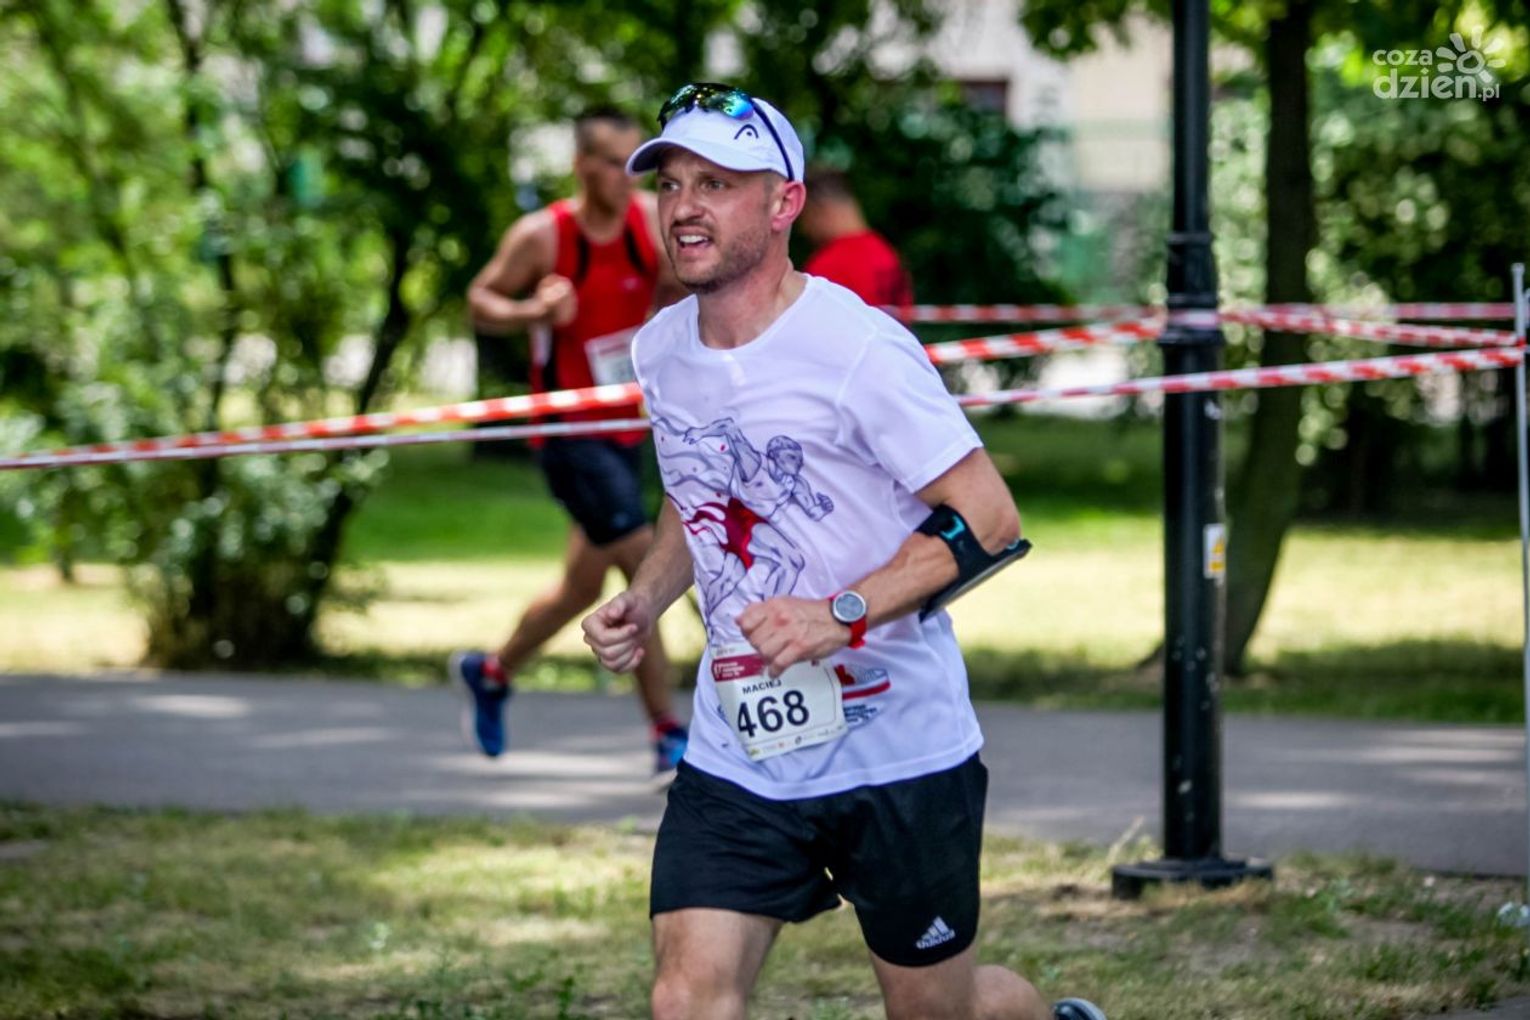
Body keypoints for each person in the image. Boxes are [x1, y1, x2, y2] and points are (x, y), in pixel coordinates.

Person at [581, 82, 1106, 1020]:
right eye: (671, 184)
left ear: (784, 202)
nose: (685, 207)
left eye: (717, 184)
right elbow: (699, 494)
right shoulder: (662, 351)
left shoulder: (858, 347)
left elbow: (988, 518)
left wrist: (840, 613)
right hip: (742, 746)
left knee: (940, 1013)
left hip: (897, 748)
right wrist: (648, 598)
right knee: (686, 998)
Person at [451, 106, 689, 781]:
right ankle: (668, 732)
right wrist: (532, 311)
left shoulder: (650, 221)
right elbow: (479, 301)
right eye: (612, 162)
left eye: (632, 162)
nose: (626, 176)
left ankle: (492, 673)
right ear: (582, 166)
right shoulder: (543, 236)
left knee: (580, 586)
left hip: (625, 427)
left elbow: (678, 289)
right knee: (646, 570)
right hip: (566, 434)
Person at [798, 164, 914, 308]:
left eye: (803, 218)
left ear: (817, 210)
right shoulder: (887, 253)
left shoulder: (828, 267)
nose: (804, 230)